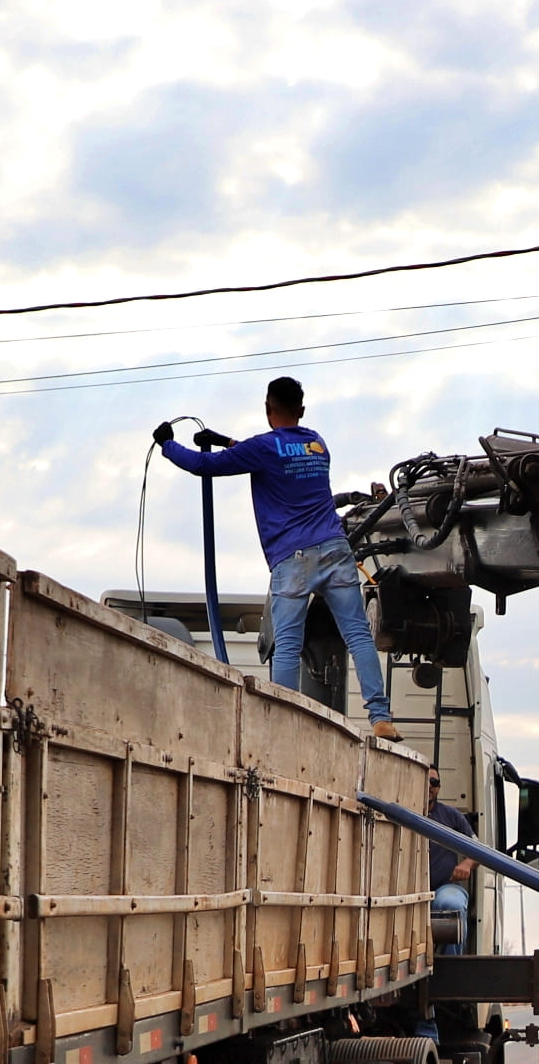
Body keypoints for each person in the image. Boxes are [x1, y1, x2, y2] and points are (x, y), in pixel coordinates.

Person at [155, 377, 398, 739]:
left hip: (293, 558)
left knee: (287, 644)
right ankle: (380, 718)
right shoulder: (317, 444)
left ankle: (284, 725)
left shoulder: (264, 448)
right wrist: (229, 442)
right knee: (358, 636)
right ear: (302, 410)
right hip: (335, 549)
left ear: (268, 409)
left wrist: (167, 445)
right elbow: (277, 453)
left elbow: (204, 465)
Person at [426, 766, 477, 926]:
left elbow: (479, 851)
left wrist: (467, 863)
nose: (429, 785)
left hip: (444, 886)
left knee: (452, 905)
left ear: (439, 788)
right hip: (404, 890)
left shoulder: (452, 816)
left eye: (434, 782)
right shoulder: (399, 812)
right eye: (425, 780)